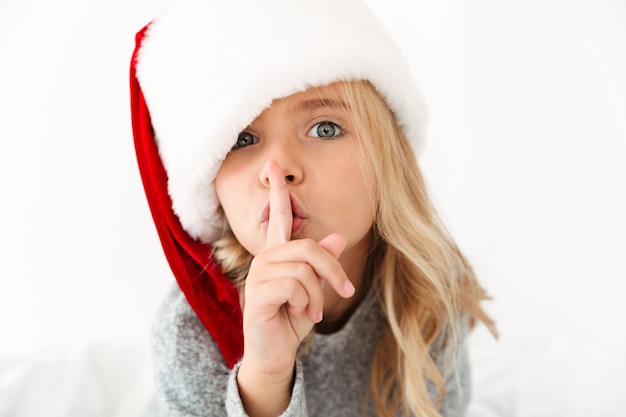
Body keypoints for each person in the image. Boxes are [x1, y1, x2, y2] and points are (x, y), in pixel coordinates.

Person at [130, 0, 496, 416]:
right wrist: (266, 378)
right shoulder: (190, 329)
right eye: (242, 140)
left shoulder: (425, 296)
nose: (277, 169)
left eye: (325, 128)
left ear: (387, 161)